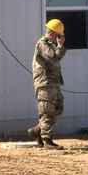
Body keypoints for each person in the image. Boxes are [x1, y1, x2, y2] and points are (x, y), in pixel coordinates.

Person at [28, 19, 67, 149]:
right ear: (51, 33)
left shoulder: (50, 45)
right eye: (58, 35)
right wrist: (60, 46)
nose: (59, 38)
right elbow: (54, 59)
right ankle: (47, 140)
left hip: (53, 83)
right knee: (47, 112)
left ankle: (37, 130)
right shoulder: (43, 45)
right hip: (45, 83)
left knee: (58, 110)